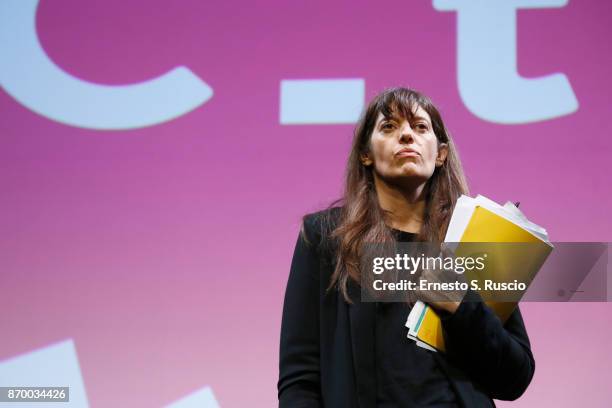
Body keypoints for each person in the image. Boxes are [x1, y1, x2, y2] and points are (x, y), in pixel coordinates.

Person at [277, 87, 535, 407]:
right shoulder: (325, 237)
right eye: (389, 127)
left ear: (440, 154)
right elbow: (299, 379)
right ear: (365, 153)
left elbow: (515, 378)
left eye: (420, 127)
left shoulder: (470, 239)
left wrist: (463, 307)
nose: (406, 136)